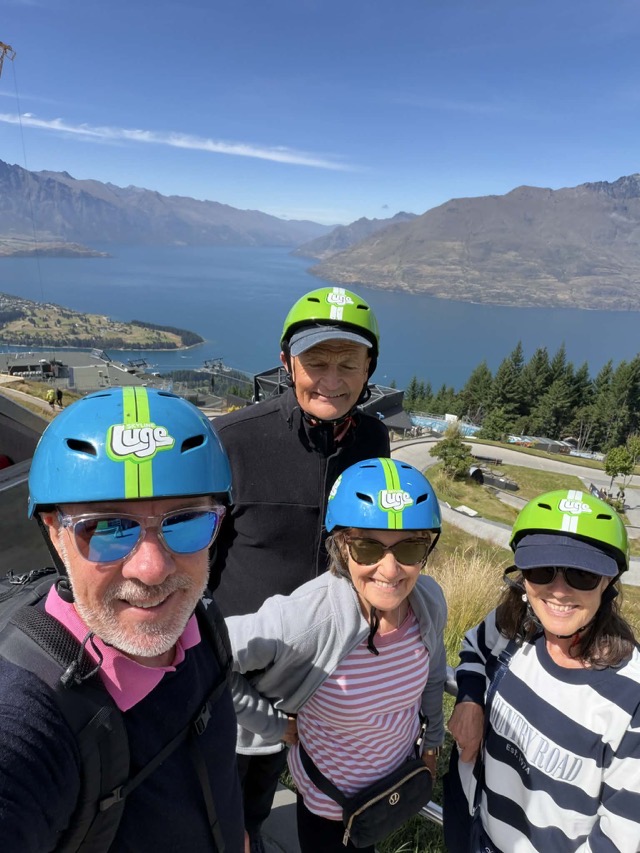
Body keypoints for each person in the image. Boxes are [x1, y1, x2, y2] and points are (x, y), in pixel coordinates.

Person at [0, 387, 244, 852]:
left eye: (186, 521)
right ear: (55, 533)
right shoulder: (30, 713)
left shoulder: (202, 620)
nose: (153, 569)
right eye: (107, 528)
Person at [209, 286, 390, 850]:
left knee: (262, 804)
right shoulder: (235, 441)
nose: (331, 379)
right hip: (233, 670)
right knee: (217, 809)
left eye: (348, 363)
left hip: (318, 670)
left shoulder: (373, 440)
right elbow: (198, 567)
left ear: (369, 369)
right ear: (287, 362)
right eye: (316, 362)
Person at [227, 458, 447, 853]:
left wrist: (430, 747)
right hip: (329, 808)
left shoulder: (427, 601)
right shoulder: (307, 618)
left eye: (410, 547)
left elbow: (433, 673)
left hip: (389, 793)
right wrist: (273, 725)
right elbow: (208, 657)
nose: (390, 570)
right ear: (341, 545)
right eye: (367, 547)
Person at [447, 489, 640, 853]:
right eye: (541, 570)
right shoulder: (514, 627)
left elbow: (621, 837)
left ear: (608, 583)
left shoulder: (632, 698)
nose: (559, 592)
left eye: (582, 574)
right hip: (477, 831)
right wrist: (470, 699)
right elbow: (474, 648)